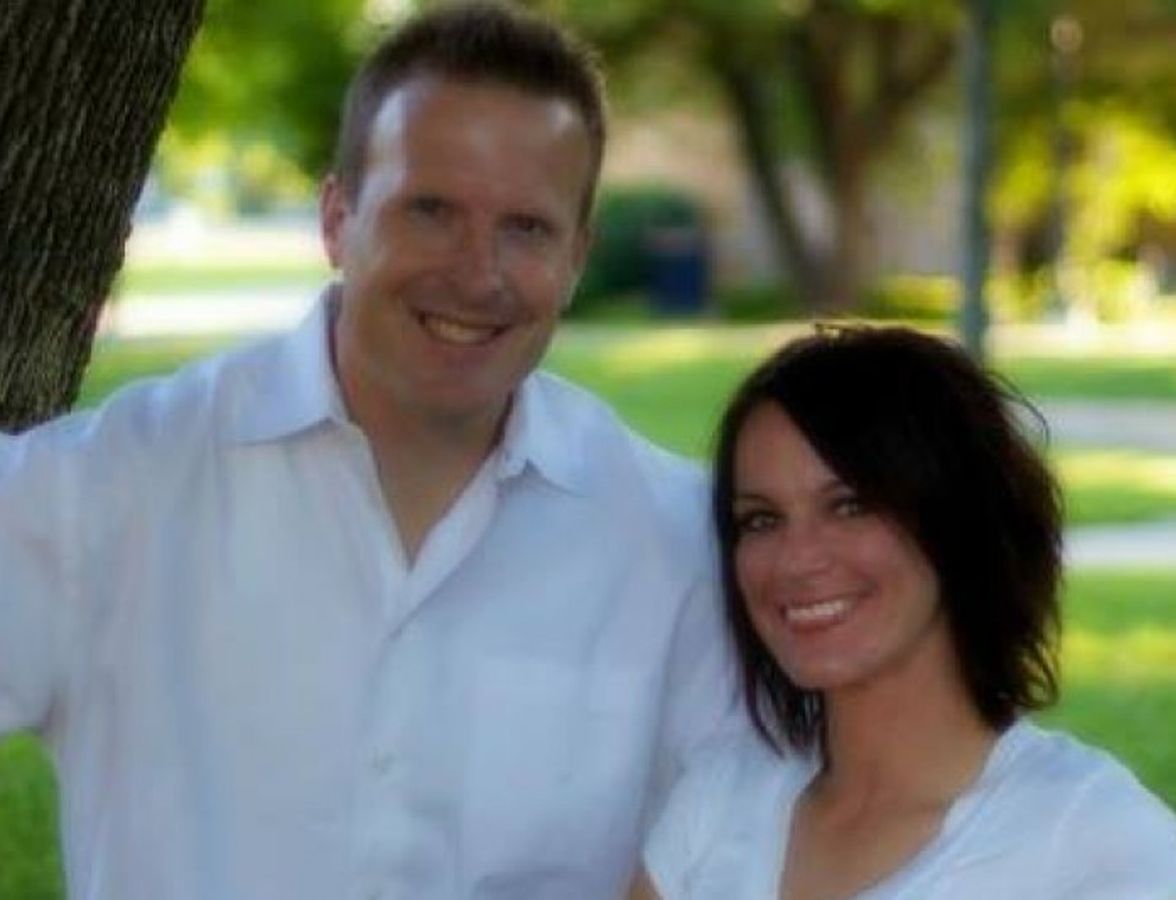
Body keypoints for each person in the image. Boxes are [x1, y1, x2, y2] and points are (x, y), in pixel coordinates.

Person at [0, 4, 740, 898]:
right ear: (336, 219)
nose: (477, 273)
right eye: (430, 211)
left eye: (526, 228)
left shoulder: (676, 541)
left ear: (577, 256)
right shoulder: (111, 488)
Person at [631, 326, 1176, 899]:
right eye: (761, 519)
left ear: (960, 524)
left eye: (850, 506)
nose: (796, 560)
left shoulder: (1096, 842)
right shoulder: (722, 798)